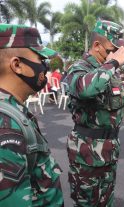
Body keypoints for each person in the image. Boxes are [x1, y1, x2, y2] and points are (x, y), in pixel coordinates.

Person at [65, 19, 124, 207]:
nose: (116, 55)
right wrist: (113, 64)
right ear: (97, 46)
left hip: (109, 150)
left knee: (106, 199)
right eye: (112, 50)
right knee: (87, 202)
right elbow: (84, 89)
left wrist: (111, 66)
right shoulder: (80, 67)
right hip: (87, 153)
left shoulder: (109, 70)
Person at [0, 24, 64, 206]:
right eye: (41, 59)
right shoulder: (5, 125)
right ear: (17, 65)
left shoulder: (13, 111)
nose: (45, 66)